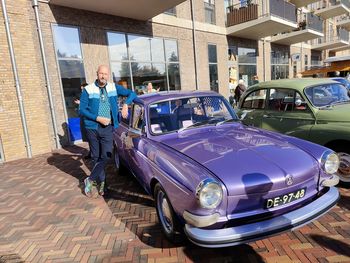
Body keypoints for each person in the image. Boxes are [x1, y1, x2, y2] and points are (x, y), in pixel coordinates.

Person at [79, 65, 137, 197]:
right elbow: (82, 110)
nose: (103, 76)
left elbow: (132, 93)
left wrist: (126, 104)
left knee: (106, 156)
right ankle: (102, 184)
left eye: (105, 74)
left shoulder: (113, 87)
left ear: (108, 75)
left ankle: (91, 179)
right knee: (95, 156)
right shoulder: (88, 90)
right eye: (101, 73)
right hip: (92, 127)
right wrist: (97, 118)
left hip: (108, 127)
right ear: (97, 74)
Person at [74, 82, 91, 159]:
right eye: (82, 89)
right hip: (83, 117)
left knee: (91, 136)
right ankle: (92, 152)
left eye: (83, 89)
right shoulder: (82, 95)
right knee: (87, 136)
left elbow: (90, 105)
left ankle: (94, 153)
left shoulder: (90, 95)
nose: (82, 90)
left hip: (89, 118)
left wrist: (80, 103)